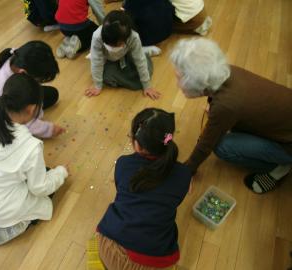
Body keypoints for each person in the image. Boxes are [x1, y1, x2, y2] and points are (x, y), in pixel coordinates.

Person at [170, 37, 292, 194]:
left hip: (288, 145)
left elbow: (206, 144)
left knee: (221, 147)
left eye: (179, 79)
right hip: (283, 125)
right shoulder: (227, 71)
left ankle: (279, 166)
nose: (177, 84)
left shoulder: (225, 106)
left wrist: (187, 171)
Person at [0, 73, 69, 245]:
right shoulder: (31, 146)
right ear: (31, 109)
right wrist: (61, 173)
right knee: (47, 183)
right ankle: (20, 223)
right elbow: (39, 188)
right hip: (2, 210)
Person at [97, 108, 192, 269]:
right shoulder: (184, 174)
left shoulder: (123, 163)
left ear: (137, 145)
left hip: (109, 248)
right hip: (153, 263)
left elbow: (123, 188)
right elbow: (176, 198)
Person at [0, 40, 64, 139]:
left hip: (9, 102)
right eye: (38, 80)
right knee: (20, 135)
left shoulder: (18, 59)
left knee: (52, 94)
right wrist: (48, 129)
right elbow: (23, 118)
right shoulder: (1, 88)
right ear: (23, 73)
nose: (40, 83)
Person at [85, 10, 161, 100]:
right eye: (110, 45)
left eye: (117, 45)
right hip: (108, 58)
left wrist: (147, 86)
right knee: (105, 76)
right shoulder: (97, 36)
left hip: (127, 54)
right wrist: (97, 86)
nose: (113, 47)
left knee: (143, 66)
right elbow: (97, 62)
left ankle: (144, 50)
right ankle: (141, 50)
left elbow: (140, 61)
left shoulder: (133, 37)